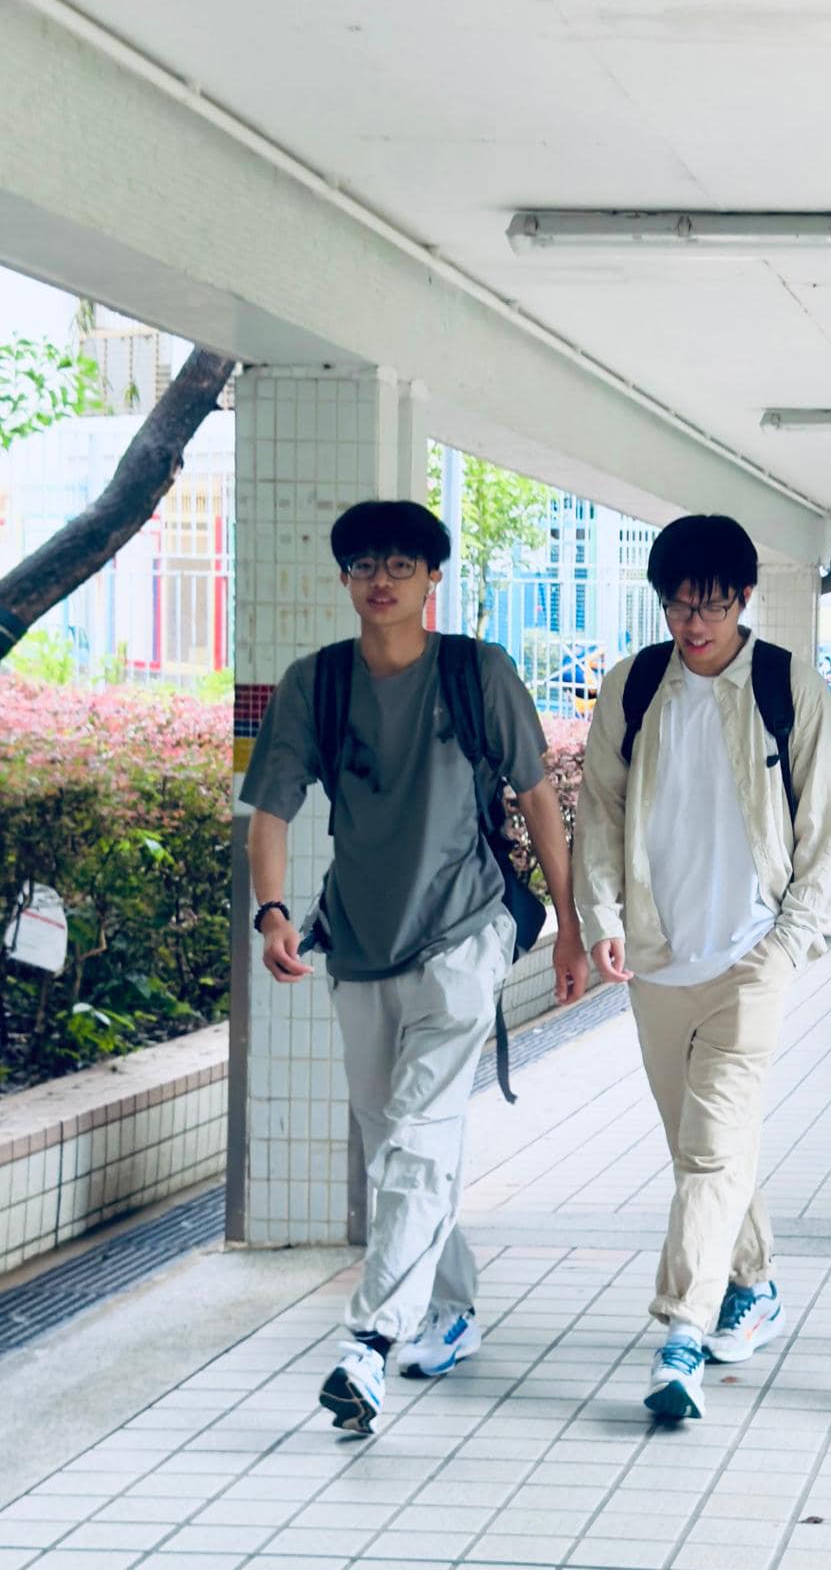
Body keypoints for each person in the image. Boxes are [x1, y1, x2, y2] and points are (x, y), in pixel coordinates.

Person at [239, 499, 588, 1436]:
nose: (380, 579)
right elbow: (269, 809)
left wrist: (569, 924)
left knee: (421, 1132)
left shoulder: (476, 672)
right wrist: (271, 910)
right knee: (393, 1145)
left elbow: (538, 799)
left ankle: (368, 1341)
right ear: (345, 578)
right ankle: (453, 1306)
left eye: (400, 563)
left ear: (433, 576)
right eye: (363, 564)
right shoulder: (316, 684)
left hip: (463, 933)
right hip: (358, 941)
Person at [574, 514, 831, 1421]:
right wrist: (600, 918)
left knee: (709, 1147)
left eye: (713, 606)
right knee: (702, 1151)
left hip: (750, 956)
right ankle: (754, 1282)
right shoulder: (633, 685)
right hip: (658, 958)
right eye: (679, 606)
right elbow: (599, 812)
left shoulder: (784, 684)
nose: (695, 625)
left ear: (743, 599)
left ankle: (680, 1335)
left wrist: (788, 943)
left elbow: (823, 828)